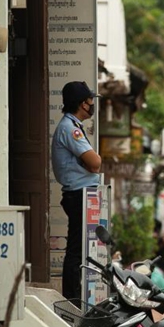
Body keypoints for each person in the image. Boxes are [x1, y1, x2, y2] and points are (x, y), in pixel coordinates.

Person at [51, 81, 102, 299]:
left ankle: (77, 296)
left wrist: (90, 163)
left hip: (81, 194)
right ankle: (72, 300)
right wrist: (90, 163)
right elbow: (95, 163)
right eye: (90, 101)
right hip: (78, 195)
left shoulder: (73, 126)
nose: (92, 105)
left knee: (81, 250)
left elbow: (92, 163)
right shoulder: (70, 129)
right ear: (83, 104)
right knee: (76, 251)